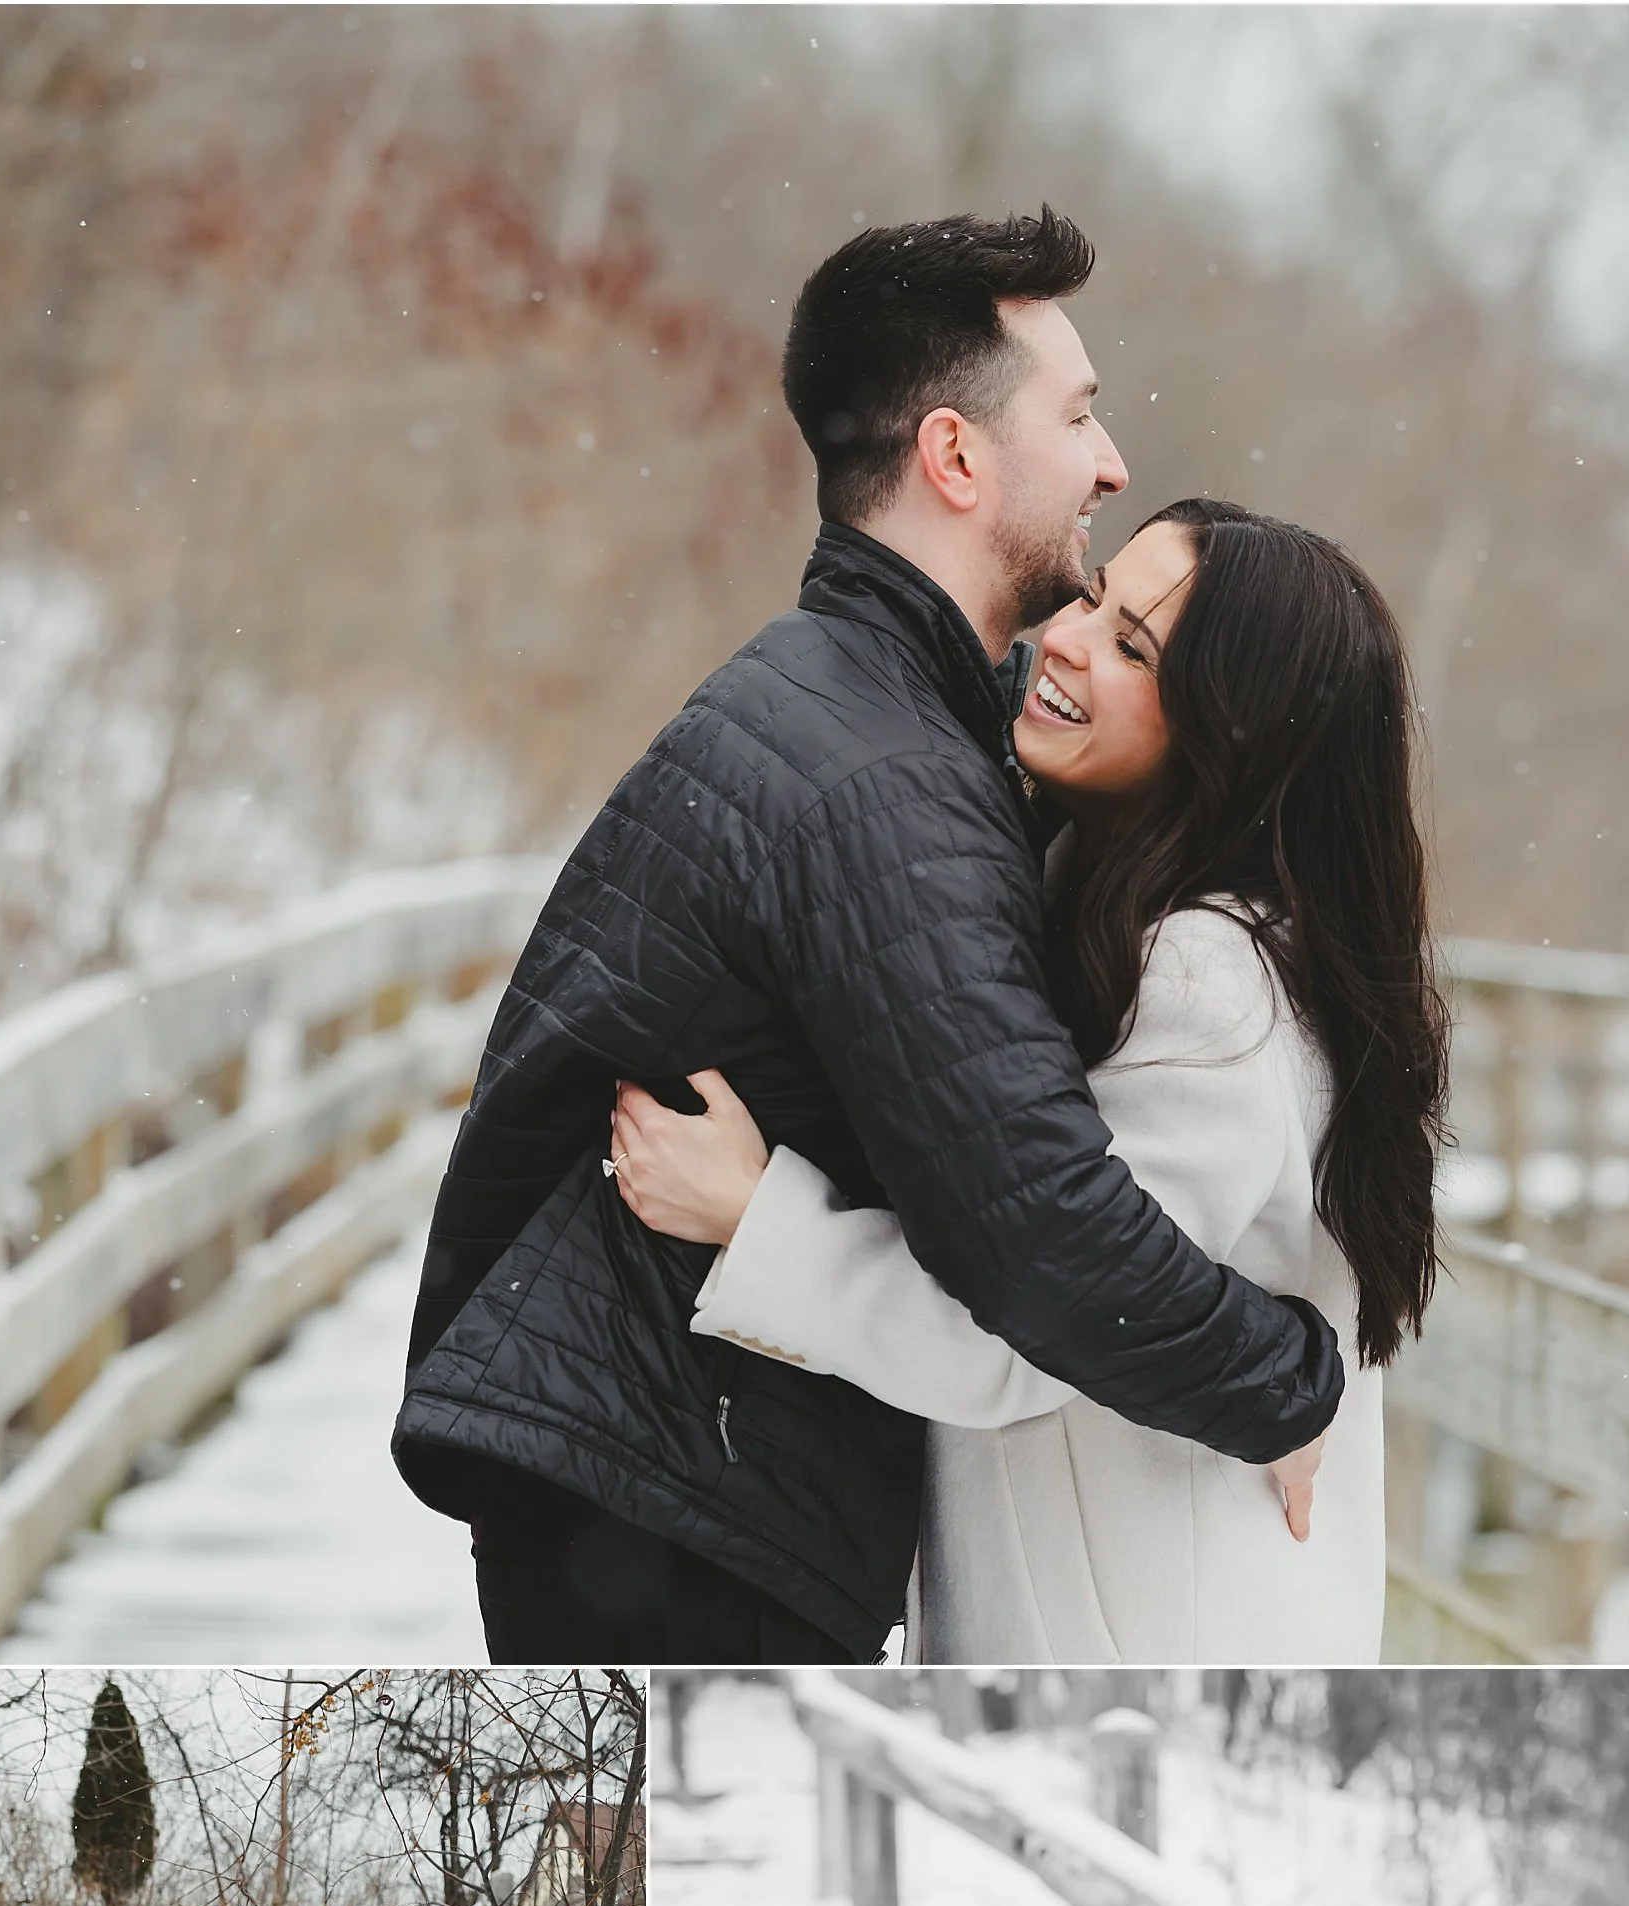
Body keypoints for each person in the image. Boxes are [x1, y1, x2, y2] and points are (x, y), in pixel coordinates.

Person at [393, 211, 1343, 1667]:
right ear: (959, 456)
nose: (1112, 463)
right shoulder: (883, 778)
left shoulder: (868, 715)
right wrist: (1285, 1376)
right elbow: (1038, 1231)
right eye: (1079, 414)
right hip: (671, 1489)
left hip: (656, 1467)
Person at [612, 500, 1448, 1664]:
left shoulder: (1214, 983)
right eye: (1098, 597)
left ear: (1235, 736)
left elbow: (1033, 1318)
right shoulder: (1095, 894)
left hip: (1156, 1648)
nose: (1065, 637)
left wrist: (755, 1224)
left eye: (1132, 648)